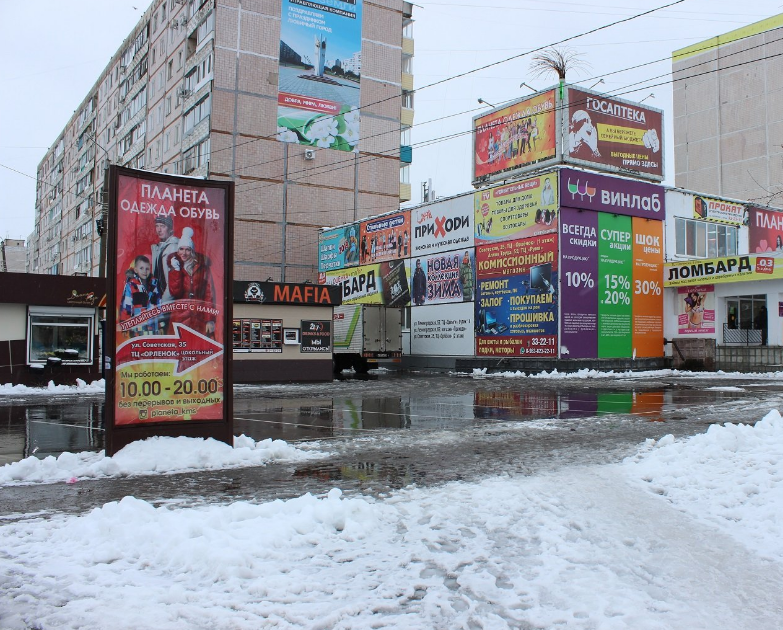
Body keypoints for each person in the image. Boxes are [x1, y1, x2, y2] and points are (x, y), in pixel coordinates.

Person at [167, 227, 217, 337]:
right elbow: (175, 292)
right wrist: (176, 271)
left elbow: (209, 295)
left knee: (199, 349)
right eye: (181, 249)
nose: (183, 253)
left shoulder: (203, 269)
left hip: (199, 315)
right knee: (179, 349)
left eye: (187, 249)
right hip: (179, 316)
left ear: (192, 251)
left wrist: (210, 320)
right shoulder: (175, 267)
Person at [120, 255, 162, 336]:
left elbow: (159, 305)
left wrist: (160, 325)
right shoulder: (131, 286)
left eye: (147, 269)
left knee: (152, 346)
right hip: (137, 327)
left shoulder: (154, 285)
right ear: (136, 269)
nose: (144, 271)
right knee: (138, 346)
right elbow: (126, 306)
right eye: (141, 268)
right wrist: (125, 326)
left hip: (153, 327)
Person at [150, 215, 179, 333]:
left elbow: (171, 284)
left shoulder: (171, 249)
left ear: (170, 229)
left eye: (163, 226)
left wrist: (162, 307)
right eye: (157, 226)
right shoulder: (161, 247)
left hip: (167, 304)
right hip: (161, 301)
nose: (159, 229)